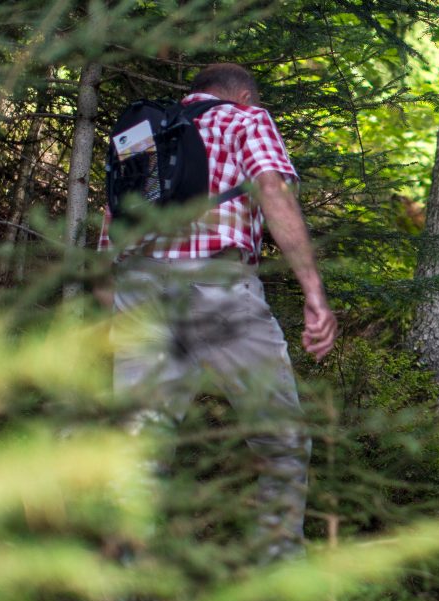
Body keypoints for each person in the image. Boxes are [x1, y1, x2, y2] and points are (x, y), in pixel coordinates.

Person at [97, 63, 338, 563]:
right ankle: (277, 589)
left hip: (138, 289)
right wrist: (313, 291)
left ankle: (123, 599)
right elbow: (272, 191)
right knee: (281, 441)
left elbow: (110, 226)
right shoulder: (244, 120)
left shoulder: (142, 134)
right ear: (243, 96)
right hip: (216, 285)